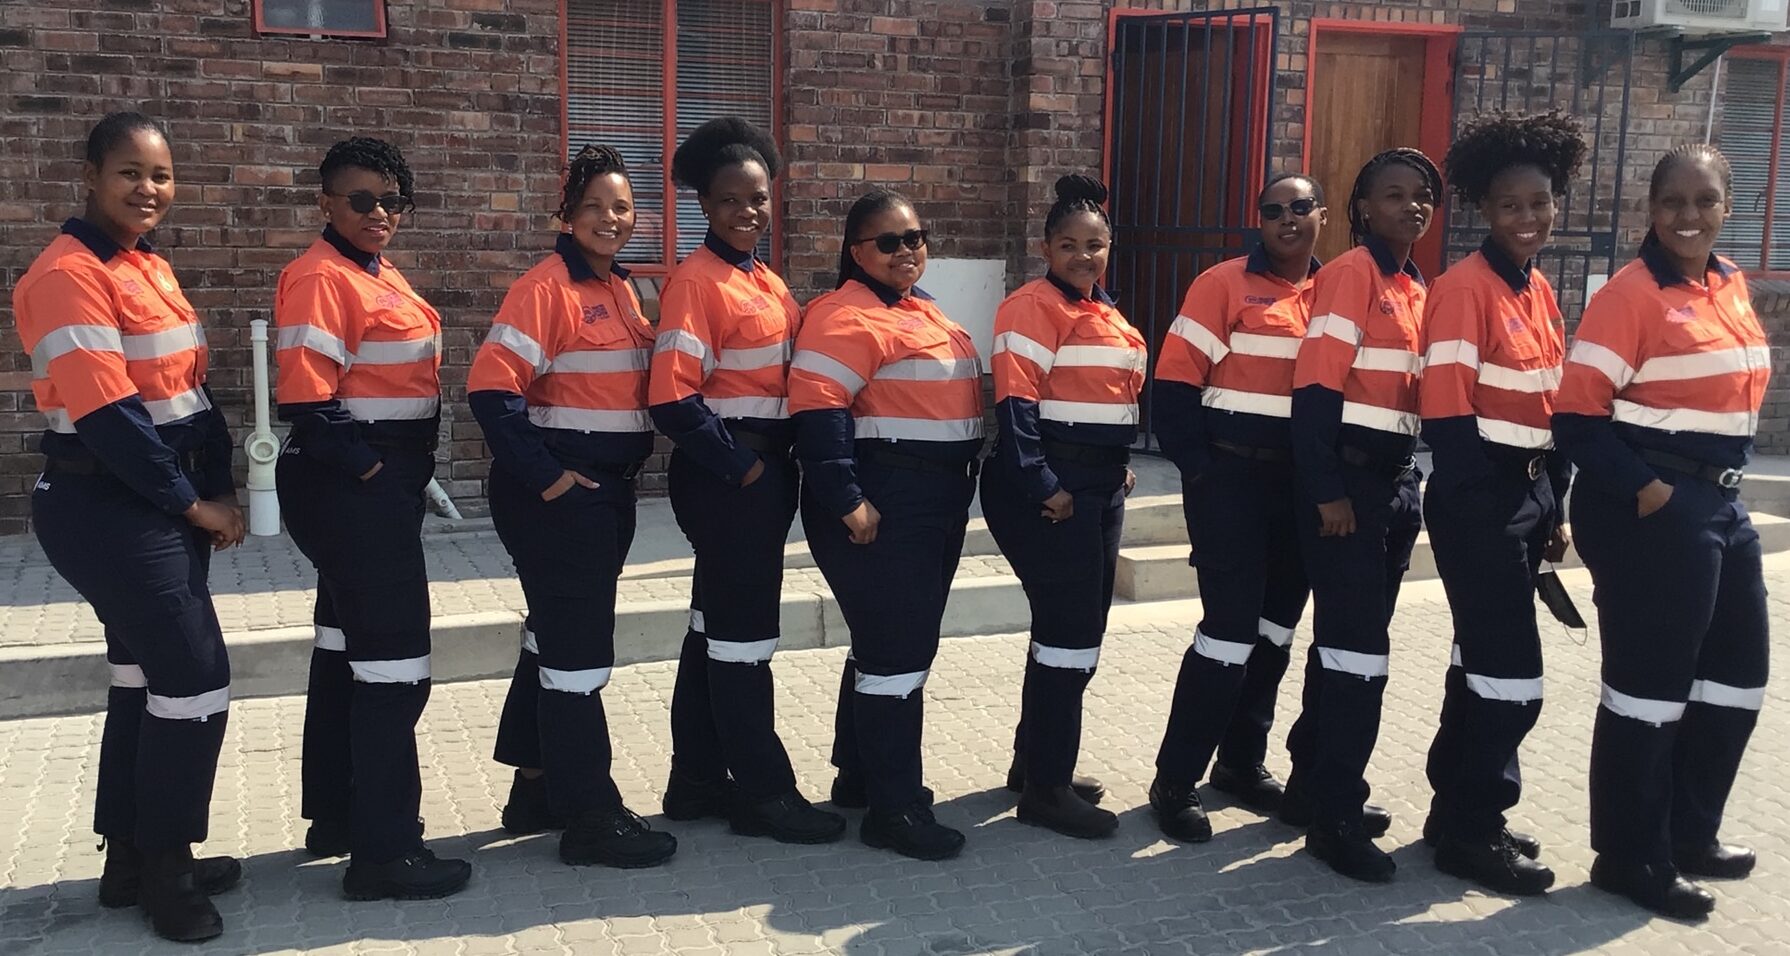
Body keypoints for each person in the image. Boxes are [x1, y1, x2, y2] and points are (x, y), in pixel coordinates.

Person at [13, 111, 244, 943]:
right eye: (130, 173)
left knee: (145, 679)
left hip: (154, 500)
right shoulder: (67, 274)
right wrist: (195, 505)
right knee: (195, 676)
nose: (149, 189)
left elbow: (185, 391)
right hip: (106, 502)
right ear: (91, 174)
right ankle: (169, 872)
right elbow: (113, 421)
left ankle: (130, 860)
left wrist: (221, 487)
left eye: (161, 175)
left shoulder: (145, 265)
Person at [1554, 143, 1768, 920]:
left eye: (1704, 201)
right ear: (1651, 208)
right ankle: (1629, 854)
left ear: (1726, 207)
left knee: (1737, 679)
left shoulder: (1728, 284)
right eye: (1673, 201)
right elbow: (1576, 419)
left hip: (1725, 508)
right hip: (1655, 509)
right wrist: (1649, 492)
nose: (1688, 216)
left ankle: (1688, 833)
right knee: (1648, 693)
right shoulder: (1629, 295)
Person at [469, 144, 679, 869]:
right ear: (566, 214)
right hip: (562, 494)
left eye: (621, 207)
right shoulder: (545, 288)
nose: (610, 219)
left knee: (555, 637)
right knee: (579, 655)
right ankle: (589, 814)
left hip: (604, 491)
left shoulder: (624, 290)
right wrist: (551, 480)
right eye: (594, 206)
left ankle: (534, 787)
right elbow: (492, 394)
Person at [274, 136, 471, 899]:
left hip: (369, 487)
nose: (379, 212)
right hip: (350, 487)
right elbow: (310, 407)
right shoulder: (321, 277)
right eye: (361, 200)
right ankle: (386, 853)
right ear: (326, 203)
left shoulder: (373, 270)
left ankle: (338, 814)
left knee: (344, 650)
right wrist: (380, 475)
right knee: (394, 668)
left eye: (392, 200)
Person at [650, 118, 844, 844]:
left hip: (759, 471)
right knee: (744, 637)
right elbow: (672, 396)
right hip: (729, 475)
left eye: (759, 198)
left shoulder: (761, 277)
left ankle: (695, 781)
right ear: (706, 204)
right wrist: (747, 466)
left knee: (712, 628)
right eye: (732, 200)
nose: (749, 211)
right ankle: (763, 793)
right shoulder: (696, 282)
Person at [1418, 111, 1587, 897]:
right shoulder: (1462, 290)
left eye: (1542, 203)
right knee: (1511, 675)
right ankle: (1474, 831)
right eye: (1513, 205)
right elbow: (1447, 416)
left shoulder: (1541, 289)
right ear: (1486, 208)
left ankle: (1456, 810)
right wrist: (1493, 510)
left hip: (1526, 497)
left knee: (1477, 665)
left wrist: (1551, 507)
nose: (1529, 219)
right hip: (1476, 499)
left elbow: (1548, 410)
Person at [789, 190, 982, 860]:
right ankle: (895, 810)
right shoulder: (842, 313)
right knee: (898, 653)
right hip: (884, 495)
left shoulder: (920, 308)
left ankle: (859, 777)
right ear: (855, 251)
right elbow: (818, 411)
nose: (906, 251)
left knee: (888, 645)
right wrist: (847, 498)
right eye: (888, 242)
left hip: (935, 498)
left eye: (915, 238)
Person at [1148, 172, 1325, 843]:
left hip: (1301, 490)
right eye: (1273, 210)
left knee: (1275, 635)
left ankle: (1241, 765)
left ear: (1321, 216)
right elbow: (1173, 386)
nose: (1286, 219)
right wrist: (1201, 475)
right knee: (1226, 636)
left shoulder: (1335, 293)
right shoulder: (1222, 284)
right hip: (1233, 485)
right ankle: (1175, 778)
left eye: (1299, 208)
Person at [1285, 147, 1441, 883]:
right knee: (1358, 657)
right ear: (1362, 208)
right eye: (1393, 194)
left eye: (1422, 196)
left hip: (1394, 482)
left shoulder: (1415, 284)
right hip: (1347, 485)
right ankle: (1335, 818)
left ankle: (1311, 781)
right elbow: (1316, 391)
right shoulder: (1351, 275)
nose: (1411, 206)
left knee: (1349, 648)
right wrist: (1326, 492)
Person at [982, 174, 1144, 840]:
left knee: (1072, 631)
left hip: (1097, 487)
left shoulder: (1106, 312)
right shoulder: (1031, 306)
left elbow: (1107, 398)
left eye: (1096, 245)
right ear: (1046, 247)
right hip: (1049, 492)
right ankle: (1047, 791)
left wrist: (1117, 466)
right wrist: (1044, 485)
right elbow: (1016, 407)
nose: (1084, 256)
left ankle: (1034, 761)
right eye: (1069, 245)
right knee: (1071, 634)